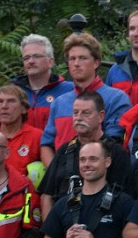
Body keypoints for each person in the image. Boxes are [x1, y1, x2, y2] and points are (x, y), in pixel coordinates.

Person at [41, 33, 132, 163]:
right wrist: (56, 173)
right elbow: (46, 144)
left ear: (96, 63)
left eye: (82, 58)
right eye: (72, 59)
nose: (76, 64)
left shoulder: (116, 99)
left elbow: (113, 144)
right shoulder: (59, 103)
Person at [39, 91, 132, 215]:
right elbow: (47, 196)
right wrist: (50, 231)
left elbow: (125, 201)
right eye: (75, 113)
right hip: (62, 225)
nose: (79, 118)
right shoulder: (64, 151)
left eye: (86, 113)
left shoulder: (116, 153)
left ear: (101, 116)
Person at [0, 34, 74, 141]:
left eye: (37, 56)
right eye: (26, 58)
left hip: (57, 156)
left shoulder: (69, 91)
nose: (31, 61)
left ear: (51, 61)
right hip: (18, 156)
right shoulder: (9, 94)